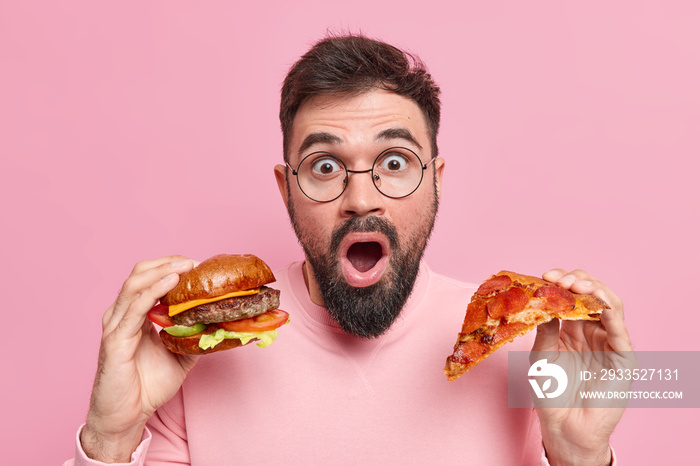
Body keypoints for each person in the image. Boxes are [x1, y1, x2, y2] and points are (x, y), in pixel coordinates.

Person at [66, 34, 632, 465]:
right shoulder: (190, 359)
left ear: (437, 181)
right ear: (286, 190)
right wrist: (110, 436)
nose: (361, 200)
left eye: (394, 163)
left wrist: (580, 456)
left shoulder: (529, 348)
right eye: (325, 166)